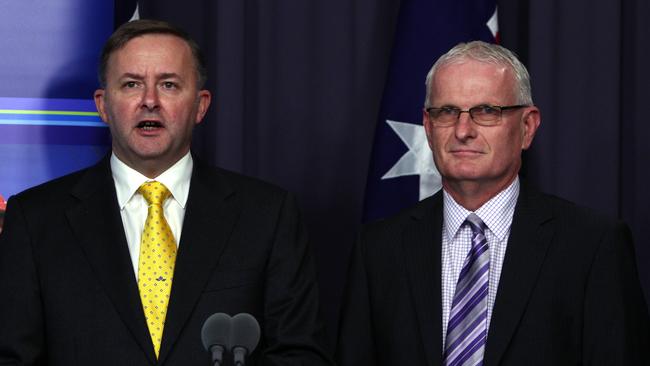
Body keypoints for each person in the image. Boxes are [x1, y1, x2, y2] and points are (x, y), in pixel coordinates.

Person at [0, 19, 333, 366]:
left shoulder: (268, 214)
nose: (149, 101)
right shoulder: (35, 220)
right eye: (131, 84)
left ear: (201, 105)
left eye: (169, 85)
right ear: (102, 105)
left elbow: (301, 354)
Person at [337, 41, 650, 366]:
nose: (462, 130)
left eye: (486, 111)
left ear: (527, 127)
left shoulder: (593, 246)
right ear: (428, 128)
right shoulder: (377, 250)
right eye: (446, 112)